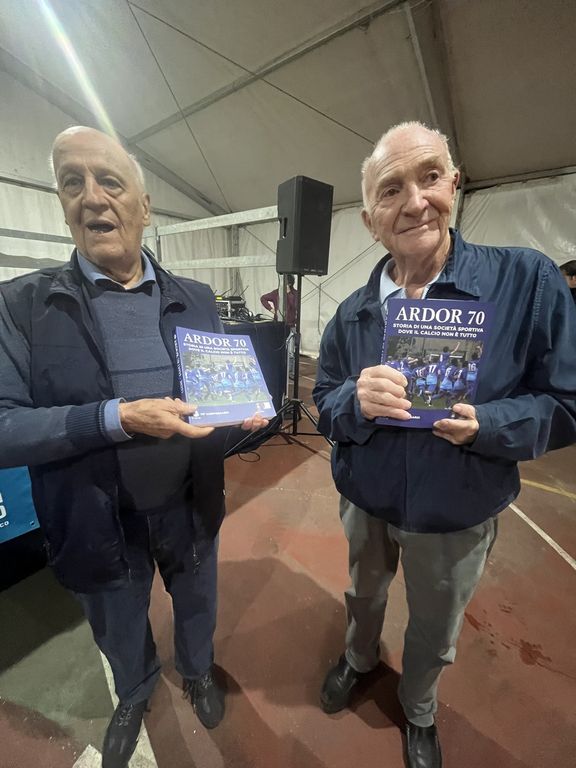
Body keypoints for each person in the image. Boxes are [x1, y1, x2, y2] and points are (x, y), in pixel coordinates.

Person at [0, 126, 267, 768]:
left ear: (145, 208)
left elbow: (211, 401)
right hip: (95, 517)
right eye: (72, 183)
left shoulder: (194, 298)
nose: (92, 197)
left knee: (197, 603)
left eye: (110, 182)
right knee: (118, 623)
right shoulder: (22, 305)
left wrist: (240, 418)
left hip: (189, 504)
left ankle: (196, 671)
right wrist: (115, 418)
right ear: (62, 203)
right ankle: (136, 691)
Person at [313, 121, 576, 768]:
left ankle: (420, 709)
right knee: (363, 595)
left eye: (429, 176)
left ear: (455, 184)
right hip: (367, 500)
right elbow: (324, 401)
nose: (415, 202)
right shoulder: (351, 314)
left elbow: (566, 402)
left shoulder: (527, 282)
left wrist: (491, 424)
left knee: (436, 624)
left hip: (457, 508)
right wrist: (353, 401)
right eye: (391, 189)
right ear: (371, 221)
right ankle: (358, 659)